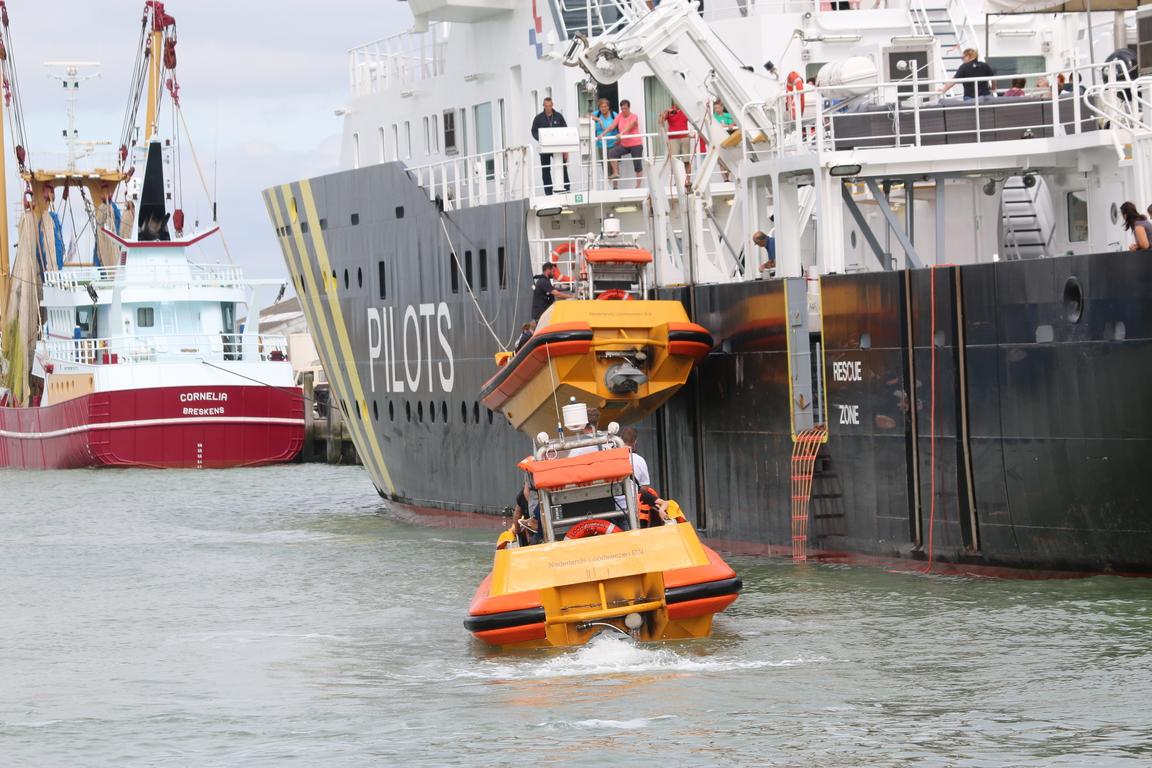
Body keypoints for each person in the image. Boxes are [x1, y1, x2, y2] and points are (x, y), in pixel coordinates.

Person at [530, 97, 571, 196]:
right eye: (546, 106)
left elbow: (565, 130)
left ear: (552, 105)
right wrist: (541, 139)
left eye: (549, 106)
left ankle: (567, 188)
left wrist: (565, 149)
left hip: (558, 147)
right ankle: (548, 192)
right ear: (543, 106)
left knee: (562, 166)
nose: (548, 108)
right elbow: (533, 131)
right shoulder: (538, 118)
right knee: (546, 169)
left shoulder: (558, 116)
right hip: (544, 147)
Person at [604, 100, 644, 189]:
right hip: (625, 144)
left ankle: (638, 186)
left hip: (635, 144)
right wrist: (603, 134)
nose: (624, 111)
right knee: (612, 153)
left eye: (625, 108)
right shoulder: (619, 116)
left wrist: (621, 134)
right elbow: (612, 126)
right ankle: (615, 173)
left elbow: (630, 126)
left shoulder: (634, 116)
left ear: (629, 108)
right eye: (622, 109)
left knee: (637, 165)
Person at [660, 101, 693, 189]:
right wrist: (665, 112)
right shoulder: (669, 112)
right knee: (675, 162)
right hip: (673, 139)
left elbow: (694, 121)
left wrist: (691, 134)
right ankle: (678, 181)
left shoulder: (685, 111)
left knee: (686, 161)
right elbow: (660, 121)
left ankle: (688, 181)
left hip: (685, 137)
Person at [591, 97, 620, 185]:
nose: (603, 108)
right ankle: (608, 187)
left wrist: (619, 139)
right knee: (605, 166)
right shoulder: (598, 114)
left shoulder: (614, 115)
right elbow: (587, 116)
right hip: (601, 144)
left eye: (605, 106)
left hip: (613, 143)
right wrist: (598, 119)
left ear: (608, 107)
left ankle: (615, 187)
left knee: (614, 165)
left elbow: (620, 124)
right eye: (601, 107)